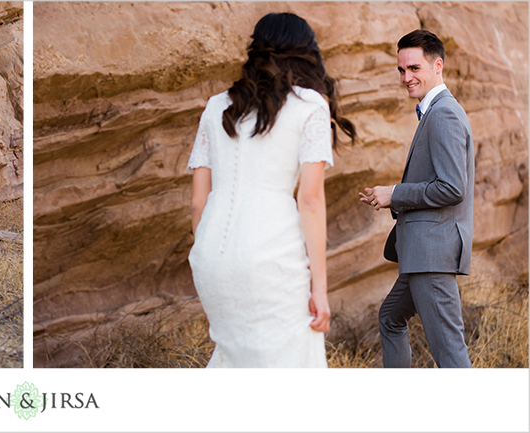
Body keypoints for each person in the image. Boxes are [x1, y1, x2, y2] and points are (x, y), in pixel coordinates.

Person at [187, 12, 355, 367]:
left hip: (210, 259)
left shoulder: (217, 107)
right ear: (304, 53)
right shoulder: (310, 107)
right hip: (272, 259)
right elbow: (309, 200)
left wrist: (211, 280)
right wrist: (320, 290)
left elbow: (198, 202)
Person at [358, 30, 473, 368]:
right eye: (401, 70)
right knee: (390, 318)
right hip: (421, 254)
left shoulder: (444, 114)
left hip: (432, 254)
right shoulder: (434, 112)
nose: (406, 77)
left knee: (451, 353)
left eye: (414, 68)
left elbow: (453, 187)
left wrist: (395, 193)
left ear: (438, 65)